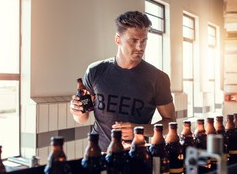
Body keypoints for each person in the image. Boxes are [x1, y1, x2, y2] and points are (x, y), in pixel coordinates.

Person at [70, 10, 176, 151]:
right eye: (134, 40)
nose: (140, 47)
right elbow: (82, 118)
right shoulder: (95, 71)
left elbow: (170, 123)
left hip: (135, 156)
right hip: (99, 154)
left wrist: (141, 130)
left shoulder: (158, 78)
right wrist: (76, 111)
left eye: (144, 41)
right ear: (118, 39)